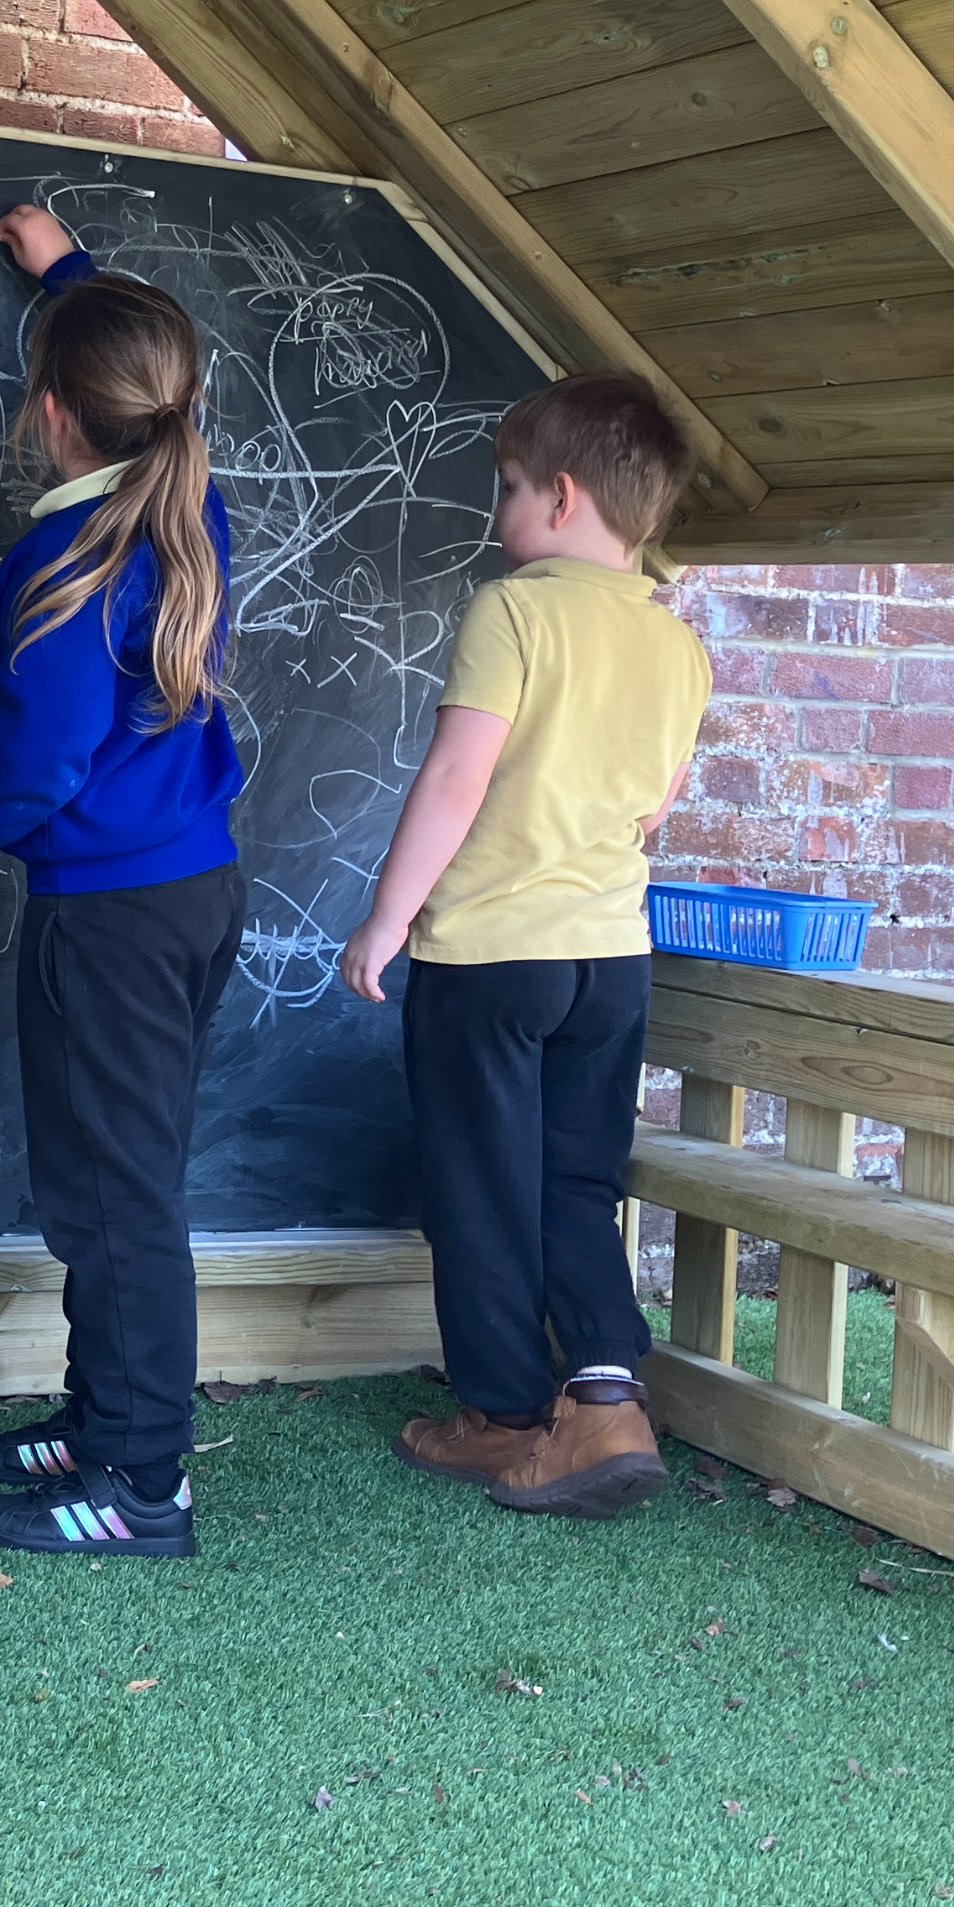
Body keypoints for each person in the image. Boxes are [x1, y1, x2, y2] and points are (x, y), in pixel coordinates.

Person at [0, 201, 246, 1560]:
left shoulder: (60, 560)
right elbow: (145, 376)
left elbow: (41, 755)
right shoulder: (186, 498)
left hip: (108, 914)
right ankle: (104, 1417)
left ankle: (144, 1483)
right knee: (120, 1177)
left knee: (115, 1196)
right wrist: (69, 272)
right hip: (184, 893)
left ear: (51, 412)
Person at [334, 371, 710, 1517]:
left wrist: (389, 917)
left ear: (558, 498)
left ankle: (499, 1418)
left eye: (504, 489)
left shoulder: (518, 609)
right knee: (575, 1183)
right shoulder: (677, 645)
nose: (496, 515)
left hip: (494, 954)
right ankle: (604, 1397)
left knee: (480, 1188)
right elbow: (658, 803)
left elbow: (458, 773)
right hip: (611, 956)